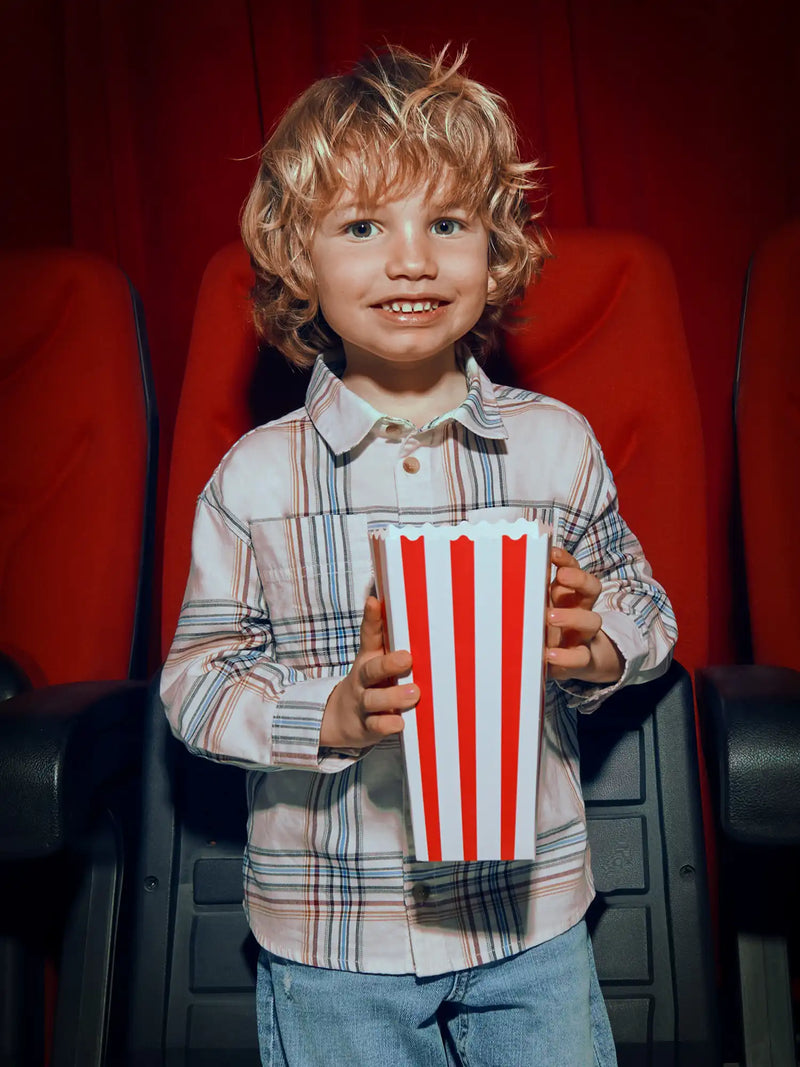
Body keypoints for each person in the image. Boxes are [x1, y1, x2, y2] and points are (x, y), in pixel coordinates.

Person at [162, 45, 676, 1067]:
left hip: (525, 914)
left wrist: (597, 646)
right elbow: (195, 680)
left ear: (495, 250)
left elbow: (643, 603)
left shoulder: (556, 445)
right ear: (298, 259)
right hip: (329, 930)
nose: (411, 259)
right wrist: (331, 712)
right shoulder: (255, 478)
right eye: (363, 226)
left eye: (445, 222)